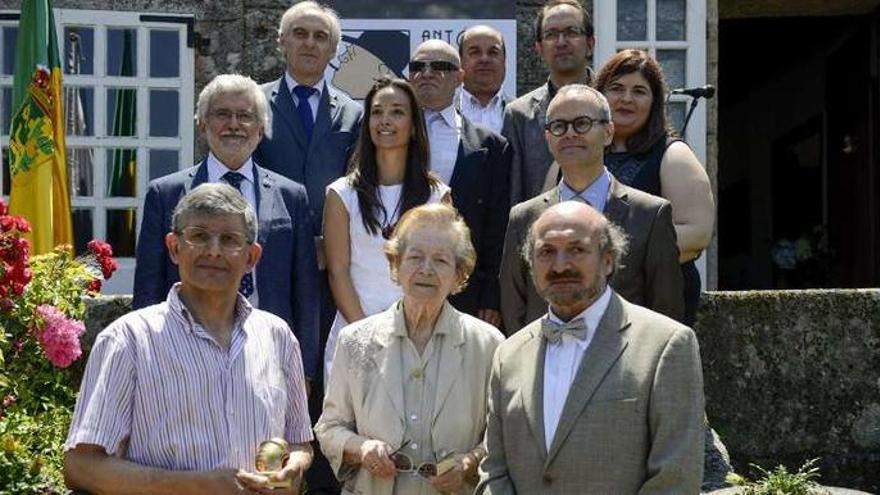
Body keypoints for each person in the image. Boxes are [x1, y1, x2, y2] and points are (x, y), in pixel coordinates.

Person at [65, 183, 314, 494]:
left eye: (229, 240)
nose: (213, 250)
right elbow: (81, 466)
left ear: (252, 257)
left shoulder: (278, 337)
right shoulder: (128, 340)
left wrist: (296, 467)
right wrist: (193, 486)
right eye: (198, 236)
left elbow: (299, 440)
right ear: (173, 247)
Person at [478, 201, 704, 494]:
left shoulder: (667, 346)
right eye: (546, 252)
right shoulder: (508, 354)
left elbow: (675, 479)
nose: (560, 265)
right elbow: (493, 470)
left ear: (608, 260)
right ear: (531, 265)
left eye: (577, 249)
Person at [132, 73, 321, 382]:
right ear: (202, 124)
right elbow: (148, 287)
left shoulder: (291, 196)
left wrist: (305, 370)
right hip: (183, 354)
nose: (234, 124)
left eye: (245, 116)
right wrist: (146, 358)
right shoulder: (165, 194)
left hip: (268, 354)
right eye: (222, 114)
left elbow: (306, 291)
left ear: (261, 129)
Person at [316, 203, 505, 495]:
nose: (426, 269)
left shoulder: (489, 344)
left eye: (441, 260)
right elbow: (329, 428)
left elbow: (502, 435)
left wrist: (469, 462)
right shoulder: (355, 340)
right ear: (395, 267)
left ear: (459, 275)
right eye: (414, 257)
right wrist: (362, 448)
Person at [500, 84, 684, 332]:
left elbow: (666, 311)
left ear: (608, 132)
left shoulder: (650, 214)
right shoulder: (523, 217)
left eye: (582, 123)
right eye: (559, 126)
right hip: (544, 359)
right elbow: (513, 306)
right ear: (548, 138)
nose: (570, 134)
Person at [322, 77, 450, 382]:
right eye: (377, 112)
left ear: (415, 125)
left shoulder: (437, 195)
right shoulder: (342, 194)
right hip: (356, 336)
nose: (385, 120)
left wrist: (409, 335)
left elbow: (443, 270)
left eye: (397, 112)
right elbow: (338, 271)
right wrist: (368, 334)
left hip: (422, 335)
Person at [595, 49, 715, 325]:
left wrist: (605, 256)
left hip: (657, 303)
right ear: (599, 95)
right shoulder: (574, 154)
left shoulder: (673, 155)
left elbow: (697, 233)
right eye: (616, 88)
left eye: (639, 91)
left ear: (654, 101)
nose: (626, 98)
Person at [409, 39, 510, 326]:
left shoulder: (491, 146)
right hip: (391, 281)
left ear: (460, 78)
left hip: (464, 288)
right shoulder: (383, 133)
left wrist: (491, 294)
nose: (426, 73)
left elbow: (496, 227)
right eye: (418, 66)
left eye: (440, 66)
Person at [254, 0, 363, 226]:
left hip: (329, 245)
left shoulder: (352, 113)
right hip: (269, 241)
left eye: (320, 37)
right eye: (300, 34)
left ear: (333, 50)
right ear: (282, 41)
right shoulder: (253, 103)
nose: (309, 43)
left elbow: (357, 186)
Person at [503, 0, 595, 205]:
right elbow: (514, 195)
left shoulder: (613, 105)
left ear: (590, 44)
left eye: (571, 32)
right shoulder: (519, 115)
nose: (561, 42)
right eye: (551, 34)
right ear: (539, 48)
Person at [458, 25, 509, 134]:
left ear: (504, 62)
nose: (484, 59)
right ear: (460, 62)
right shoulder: (444, 114)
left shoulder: (523, 115)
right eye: (475, 52)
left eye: (493, 52)